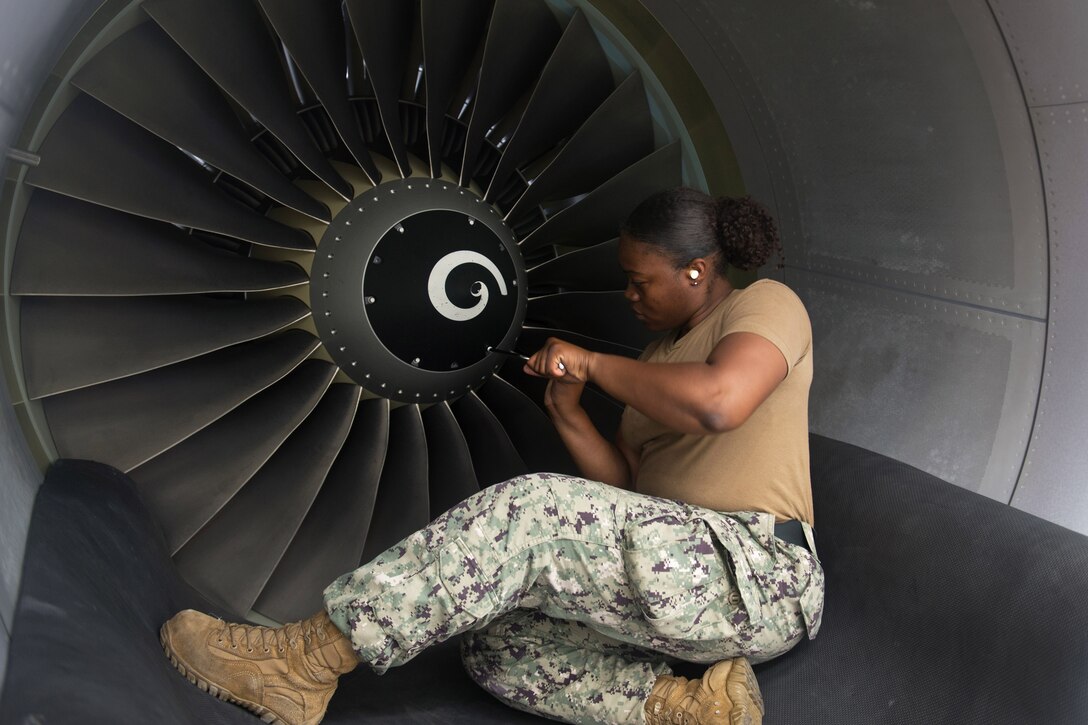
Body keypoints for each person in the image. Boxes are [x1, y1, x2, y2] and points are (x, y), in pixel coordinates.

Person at [160, 187, 824, 725]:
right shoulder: (655, 362)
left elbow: (720, 401)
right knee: (497, 643)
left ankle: (298, 666)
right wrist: (567, 412)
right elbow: (630, 487)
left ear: (697, 271)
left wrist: (592, 361)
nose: (630, 296)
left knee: (531, 508)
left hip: (759, 575)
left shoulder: (765, 305)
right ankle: (686, 710)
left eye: (639, 281)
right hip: (679, 580)